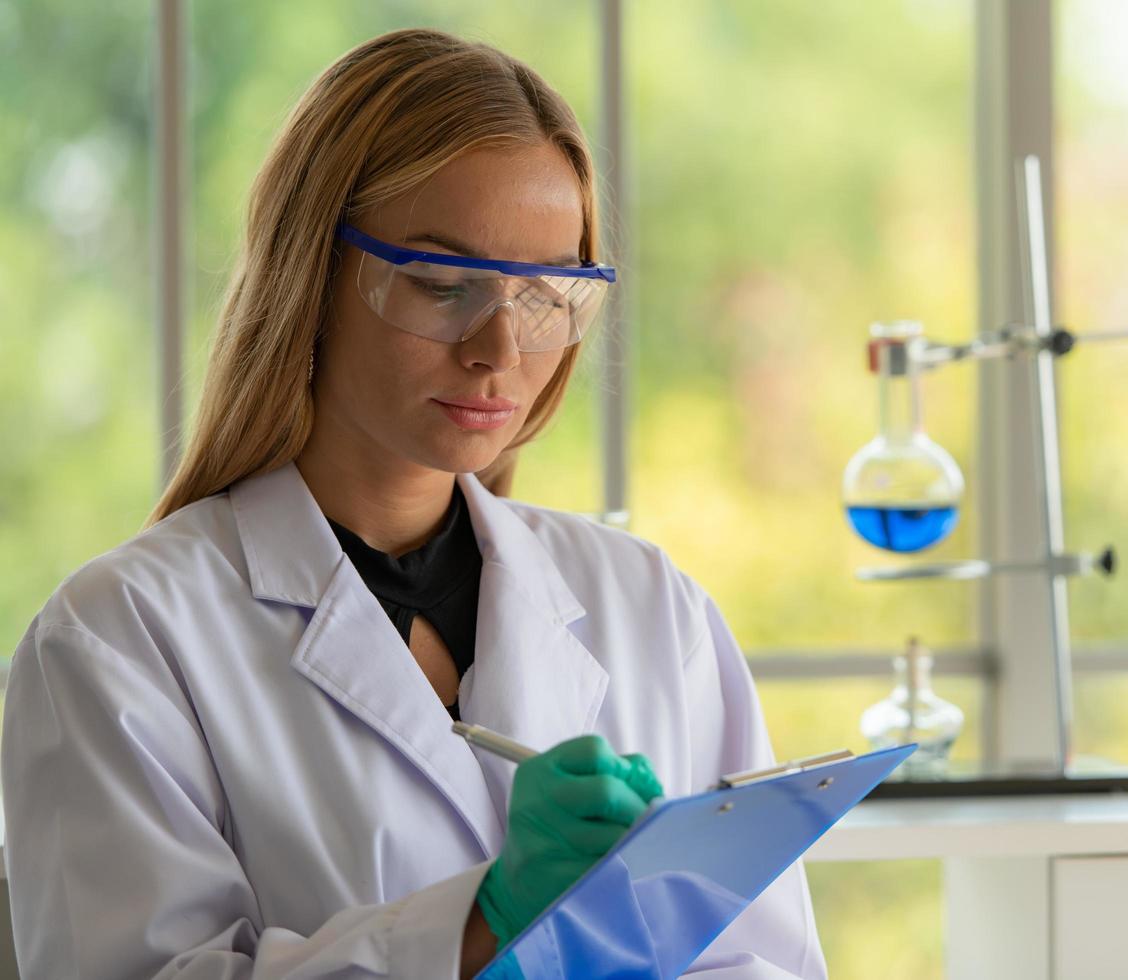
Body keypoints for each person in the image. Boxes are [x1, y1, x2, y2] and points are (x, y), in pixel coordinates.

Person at [2, 28, 826, 979]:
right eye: (441, 284)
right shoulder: (120, 637)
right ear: (309, 273)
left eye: (548, 294)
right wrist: (484, 922)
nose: (499, 350)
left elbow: (763, 960)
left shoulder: (650, 606)